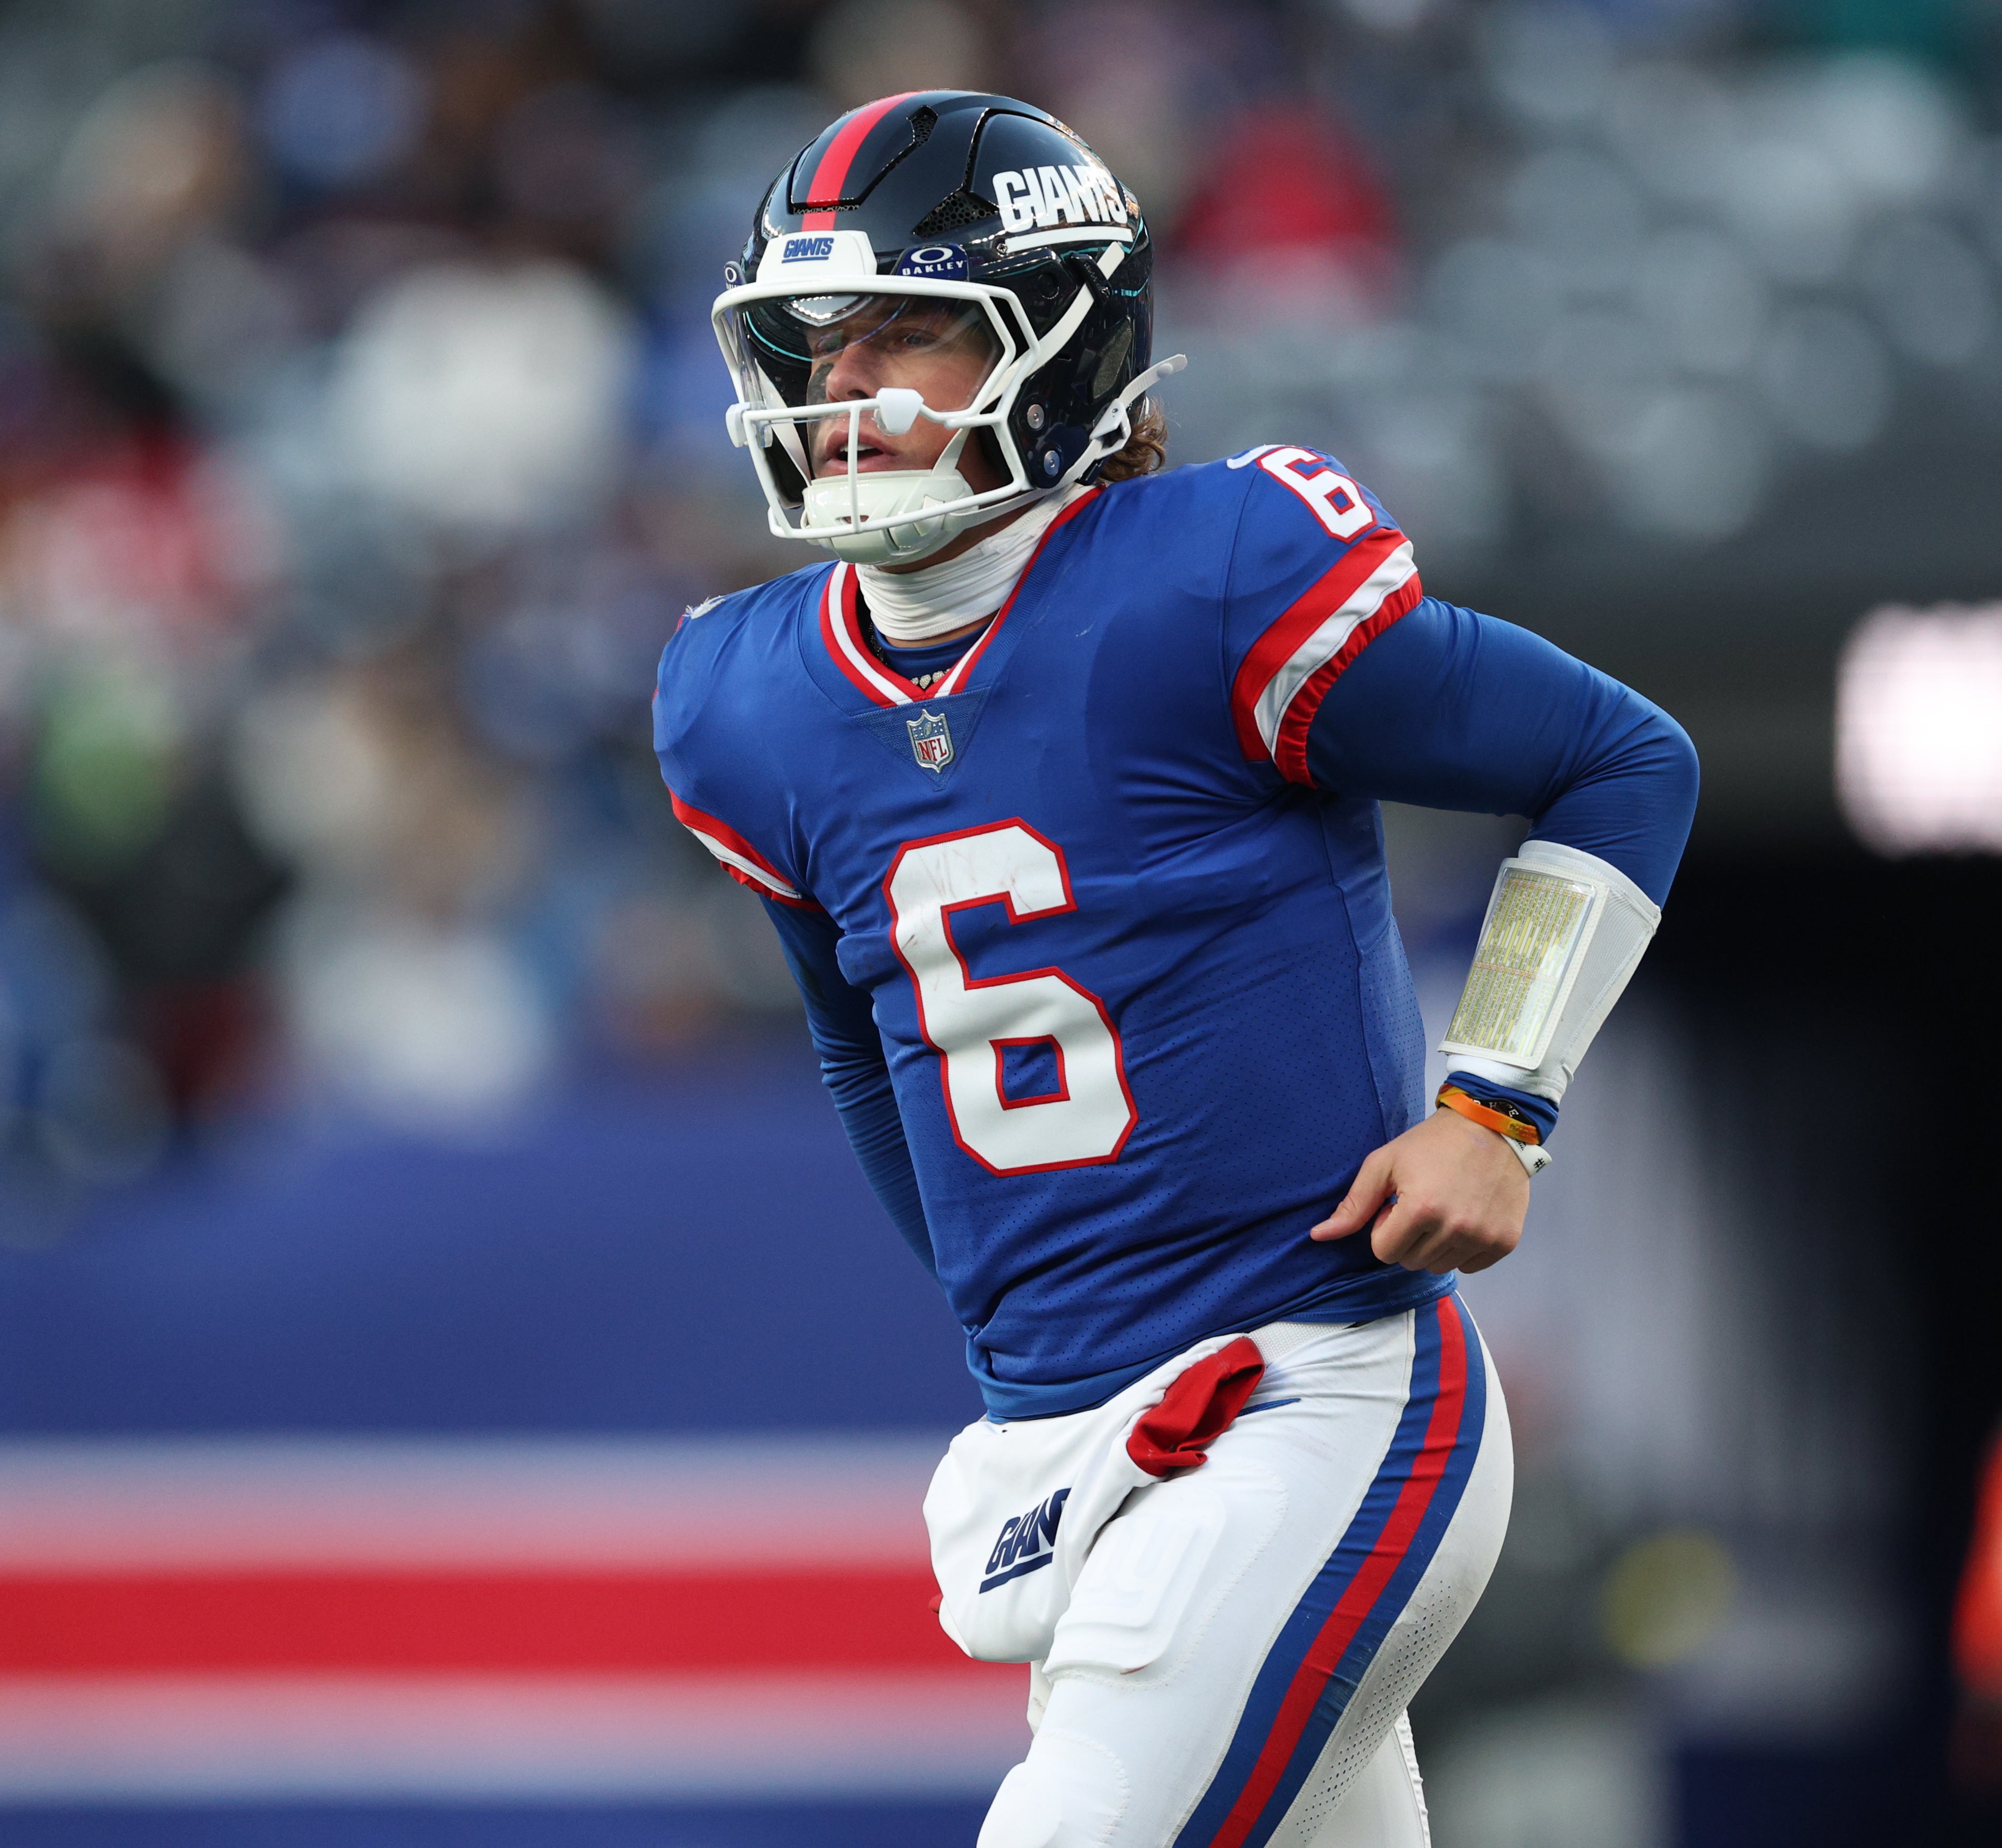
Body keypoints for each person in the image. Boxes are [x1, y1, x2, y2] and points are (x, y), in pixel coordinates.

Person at [654, 93, 1698, 1847]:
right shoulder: (741, 698)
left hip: (1307, 1393)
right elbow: (865, 1047)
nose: (841, 387)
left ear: (1056, 341)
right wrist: (1034, 1317)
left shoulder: (1205, 579)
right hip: (1067, 1441)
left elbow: (1619, 758)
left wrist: (1491, 1105)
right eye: (813, 340)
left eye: (900, 329)